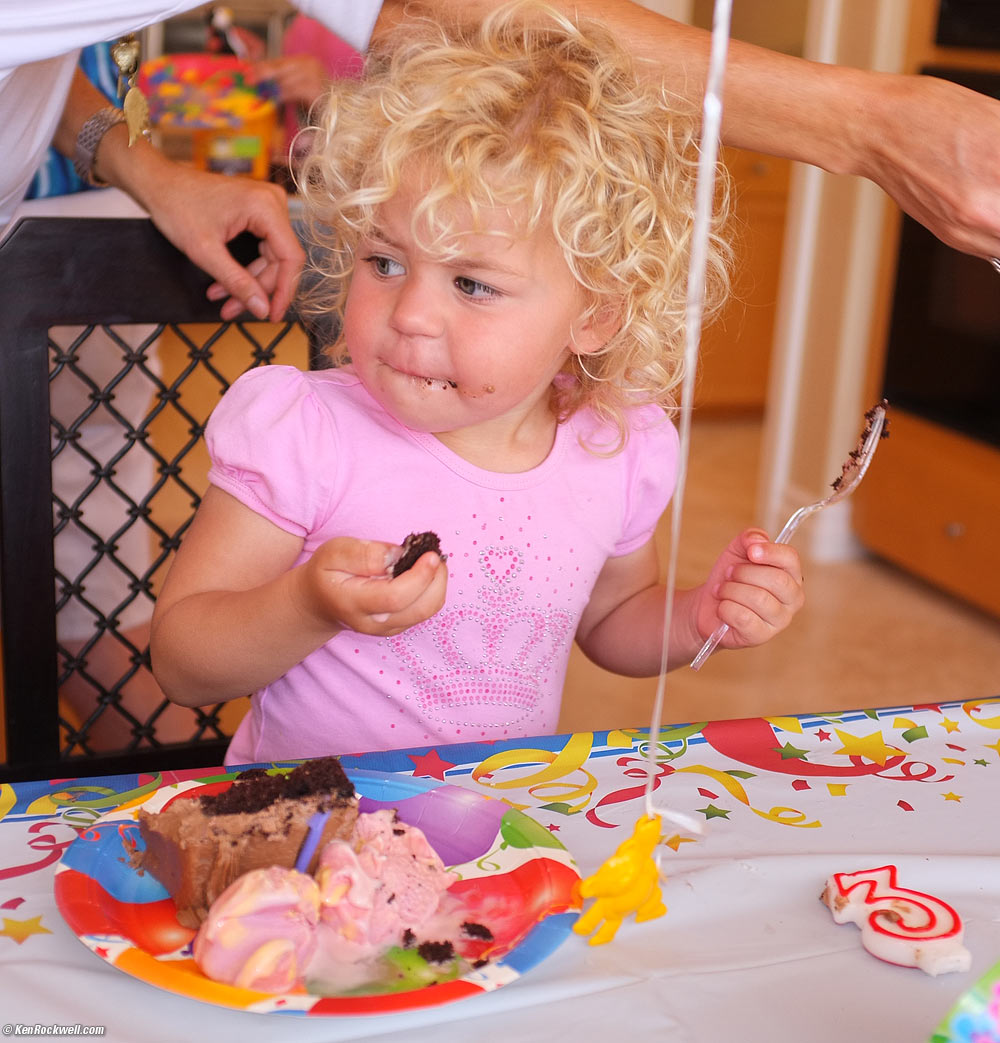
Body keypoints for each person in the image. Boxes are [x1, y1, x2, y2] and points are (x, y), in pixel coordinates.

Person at [149, 3, 806, 765]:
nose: (413, 316)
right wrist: (306, 605)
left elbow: (614, 615)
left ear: (594, 314)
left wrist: (699, 615)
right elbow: (181, 661)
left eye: (471, 283)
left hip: (497, 839)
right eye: (385, 262)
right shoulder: (305, 434)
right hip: (313, 843)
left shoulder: (615, 448)